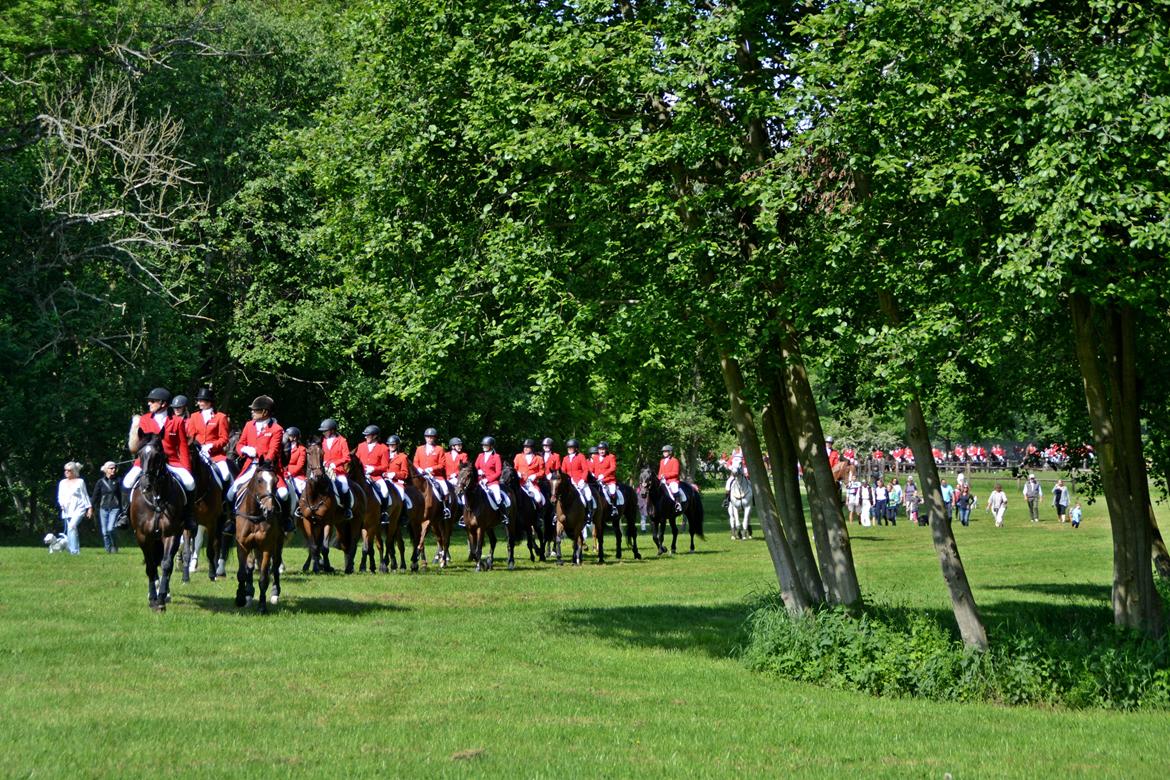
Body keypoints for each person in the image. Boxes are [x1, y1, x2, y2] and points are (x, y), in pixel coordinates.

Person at [122, 387, 196, 532]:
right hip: (146, 462)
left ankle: (188, 516)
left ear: (163, 403)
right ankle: (124, 514)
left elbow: (182, 447)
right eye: (149, 401)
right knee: (127, 481)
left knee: (190, 482)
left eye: (153, 401)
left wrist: (186, 468)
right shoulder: (144, 420)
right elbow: (139, 445)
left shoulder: (176, 422)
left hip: (171, 461)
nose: (149, 403)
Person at [227, 395, 290, 532]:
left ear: (264, 412)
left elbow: (273, 449)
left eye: (255, 410)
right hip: (250, 467)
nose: (252, 412)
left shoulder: (276, 429)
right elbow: (240, 444)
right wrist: (244, 449)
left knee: (284, 493)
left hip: (268, 467)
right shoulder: (249, 425)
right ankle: (232, 520)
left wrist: (266, 460)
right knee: (231, 493)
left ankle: (285, 520)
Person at [187, 387, 232, 488]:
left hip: (215, 455)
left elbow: (224, 438)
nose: (199, 403)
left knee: (226, 475)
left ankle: (224, 501)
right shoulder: (194, 416)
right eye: (198, 400)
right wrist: (196, 447)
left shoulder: (220, 417)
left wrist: (211, 446)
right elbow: (191, 436)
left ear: (209, 402)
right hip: (198, 454)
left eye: (201, 400)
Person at [355, 425, 392, 522]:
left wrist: (373, 469)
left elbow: (385, 466)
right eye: (365, 435)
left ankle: (384, 513)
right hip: (361, 475)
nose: (365, 437)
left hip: (375, 477)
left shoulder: (383, 448)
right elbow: (356, 461)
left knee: (385, 491)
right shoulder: (361, 446)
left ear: (375, 436)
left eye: (368, 435)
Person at [318, 418, 352, 518]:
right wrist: (322, 462)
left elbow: (347, 457)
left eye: (325, 430)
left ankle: (347, 509)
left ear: (332, 430)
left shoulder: (342, 441)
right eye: (323, 431)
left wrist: (335, 464)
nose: (323, 432)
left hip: (338, 471)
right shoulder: (322, 441)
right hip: (325, 471)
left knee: (345, 487)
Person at [413, 427, 451, 516]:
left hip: (435, 476)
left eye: (431, 437)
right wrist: (418, 469)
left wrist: (431, 469)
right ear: (425, 437)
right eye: (427, 437)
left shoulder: (439, 449)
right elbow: (415, 462)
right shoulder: (419, 449)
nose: (429, 439)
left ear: (435, 438)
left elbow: (442, 465)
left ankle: (445, 509)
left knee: (445, 490)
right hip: (421, 475)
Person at [58, 461, 91, 555]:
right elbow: (60, 496)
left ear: (74, 471)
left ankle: (74, 551)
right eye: (65, 470)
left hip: (79, 508)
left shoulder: (80, 482)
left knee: (72, 526)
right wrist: (61, 504)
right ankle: (71, 549)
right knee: (70, 529)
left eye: (69, 470)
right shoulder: (62, 483)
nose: (66, 472)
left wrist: (89, 508)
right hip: (67, 509)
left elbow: (85, 495)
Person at [90, 460, 123, 553]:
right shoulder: (100, 482)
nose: (113, 470)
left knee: (110, 528)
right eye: (111, 468)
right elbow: (95, 496)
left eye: (114, 468)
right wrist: (91, 508)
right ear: (106, 470)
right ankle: (108, 550)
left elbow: (122, 496)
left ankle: (114, 546)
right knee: (104, 532)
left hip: (115, 508)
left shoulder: (118, 481)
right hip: (103, 509)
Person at [474, 436, 508, 521]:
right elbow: (475, 468)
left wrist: (488, 479)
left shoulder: (496, 457)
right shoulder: (480, 455)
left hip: (492, 483)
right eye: (483, 445)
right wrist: (478, 472)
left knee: (498, 497)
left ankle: (503, 515)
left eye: (485, 445)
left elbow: (498, 472)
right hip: (480, 482)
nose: (483, 447)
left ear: (491, 446)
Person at [562, 438, 594, 512]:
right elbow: (563, 471)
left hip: (580, 482)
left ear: (576, 448)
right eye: (568, 448)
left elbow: (585, 470)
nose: (569, 449)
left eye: (571, 447)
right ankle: (556, 514)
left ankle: (589, 514)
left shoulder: (581, 456)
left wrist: (582, 480)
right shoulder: (565, 458)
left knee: (588, 495)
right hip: (569, 483)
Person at [592, 441, 622, 517]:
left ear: (606, 450)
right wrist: (592, 474)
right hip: (597, 481)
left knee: (612, 492)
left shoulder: (611, 457)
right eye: (600, 449)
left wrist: (603, 475)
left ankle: (614, 507)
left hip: (609, 481)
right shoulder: (595, 457)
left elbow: (613, 468)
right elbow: (592, 468)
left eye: (603, 449)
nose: (601, 451)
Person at [384, 435, 413, 511]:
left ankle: (403, 515)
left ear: (397, 445)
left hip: (396, 482)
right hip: (383, 480)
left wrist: (395, 474)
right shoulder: (384, 455)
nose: (391, 446)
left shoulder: (402, 457)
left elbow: (405, 474)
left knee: (401, 495)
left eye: (393, 444)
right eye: (390, 444)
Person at [514, 439, 546, 506]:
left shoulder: (539, 458)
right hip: (520, 483)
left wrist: (535, 475)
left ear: (532, 448)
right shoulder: (518, 456)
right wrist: (517, 473)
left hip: (532, 484)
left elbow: (542, 471)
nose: (525, 448)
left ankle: (539, 515)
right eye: (524, 447)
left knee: (538, 498)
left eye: (528, 447)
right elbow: (515, 469)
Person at [656, 444, 687, 512]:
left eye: (666, 451)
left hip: (672, 481)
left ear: (670, 452)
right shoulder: (662, 461)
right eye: (663, 451)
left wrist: (665, 475)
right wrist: (658, 478)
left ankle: (678, 504)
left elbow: (675, 473)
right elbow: (660, 472)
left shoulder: (674, 460)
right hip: (663, 481)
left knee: (674, 488)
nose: (664, 453)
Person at [284, 427, 306, 500]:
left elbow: (300, 465)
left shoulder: (301, 449)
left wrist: (290, 473)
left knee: (301, 488)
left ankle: (300, 506)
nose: (286, 437)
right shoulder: (283, 447)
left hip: (296, 475)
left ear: (294, 437)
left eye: (288, 436)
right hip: (283, 473)